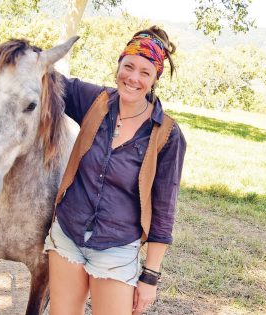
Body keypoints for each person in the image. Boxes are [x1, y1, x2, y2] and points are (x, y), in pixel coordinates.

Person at [44, 26, 187, 315]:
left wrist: (150, 277)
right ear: (119, 65)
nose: (133, 78)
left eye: (145, 72)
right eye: (128, 66)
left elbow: (163, 213)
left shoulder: (167, 135)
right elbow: (46, 78)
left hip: (117, 248)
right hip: (67, 236)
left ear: (155, 79)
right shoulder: (93, 101)